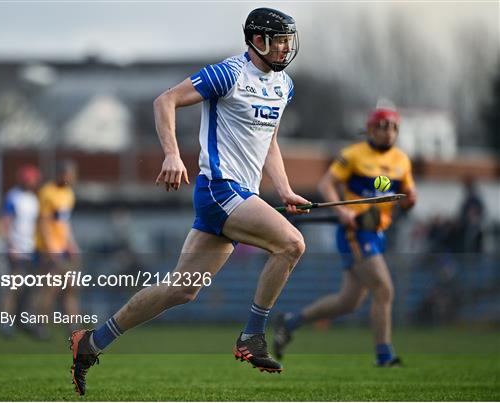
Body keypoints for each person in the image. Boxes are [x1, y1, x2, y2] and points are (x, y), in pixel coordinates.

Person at [69, 7, 309, 395]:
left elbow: (270, 143)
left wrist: (283, 190)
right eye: (279, 40)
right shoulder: (228, 73)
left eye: (288, 40)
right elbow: (164, 101)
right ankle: (252, 335)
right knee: (292, 244)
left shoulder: (285, 86)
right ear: (257, 40)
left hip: (242, 196)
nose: (285, 48)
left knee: (180, 289)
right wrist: (172, 153)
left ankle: (92, 342)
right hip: (220, 190)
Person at [273, 107, 417, 366]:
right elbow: (325, 185)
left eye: (393, 127)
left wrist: (409, 201)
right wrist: (341, 211)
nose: (388, 133)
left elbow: (406, 197)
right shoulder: (352, 155)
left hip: (377, 232)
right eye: (382, 126)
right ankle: (384, 355)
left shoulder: (402, 161)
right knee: (384, 288)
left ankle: (291, 322)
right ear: (370, 129)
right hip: (355, 232)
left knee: (348, 302)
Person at [35, 160, 80, 338]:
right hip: (49, 248)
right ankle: (40, 326)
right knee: (50, 288)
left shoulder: (68, 194)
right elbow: (43, 223)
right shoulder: (47, 192)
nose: (71, 178)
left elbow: (64, 223)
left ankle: (72, 327)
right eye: (69, 174)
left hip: (63, 248)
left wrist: (71, 244)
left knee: (70, 287)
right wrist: (51, 248)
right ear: (61, 174)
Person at [0, 165, 40, 338]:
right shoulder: (13, 196)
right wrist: (10, 245)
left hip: (30, 249)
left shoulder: (33, 199)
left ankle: (23, 320)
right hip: (16, 248)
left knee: (30, 288)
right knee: (14, 286)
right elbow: (6, 222)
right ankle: (6, 323)